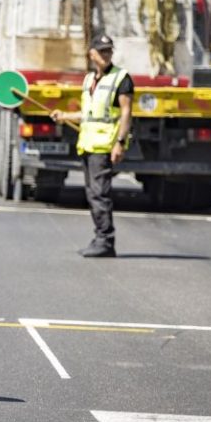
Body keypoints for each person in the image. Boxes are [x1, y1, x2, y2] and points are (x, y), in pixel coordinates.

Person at [51, 34, 133, 258]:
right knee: (92, 194)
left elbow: (126, 113)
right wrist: (65, 115)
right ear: (91, 54)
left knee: (100, 195)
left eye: (109, 51)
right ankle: (100, 237)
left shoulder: (121, 78)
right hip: (87, 144)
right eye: (102, 51)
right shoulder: (89, 80)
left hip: (104, 146)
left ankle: (105, 240)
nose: (106, 55)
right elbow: (88, 115)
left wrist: (120, 143)